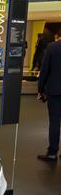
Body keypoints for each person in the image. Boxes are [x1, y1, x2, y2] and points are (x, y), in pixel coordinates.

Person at [37, 30, 61, 161]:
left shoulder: (52, 47)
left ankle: (52, 152)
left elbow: (44, 70)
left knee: (55, 122)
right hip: (55, 91)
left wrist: (41, 89)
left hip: (55, 91)